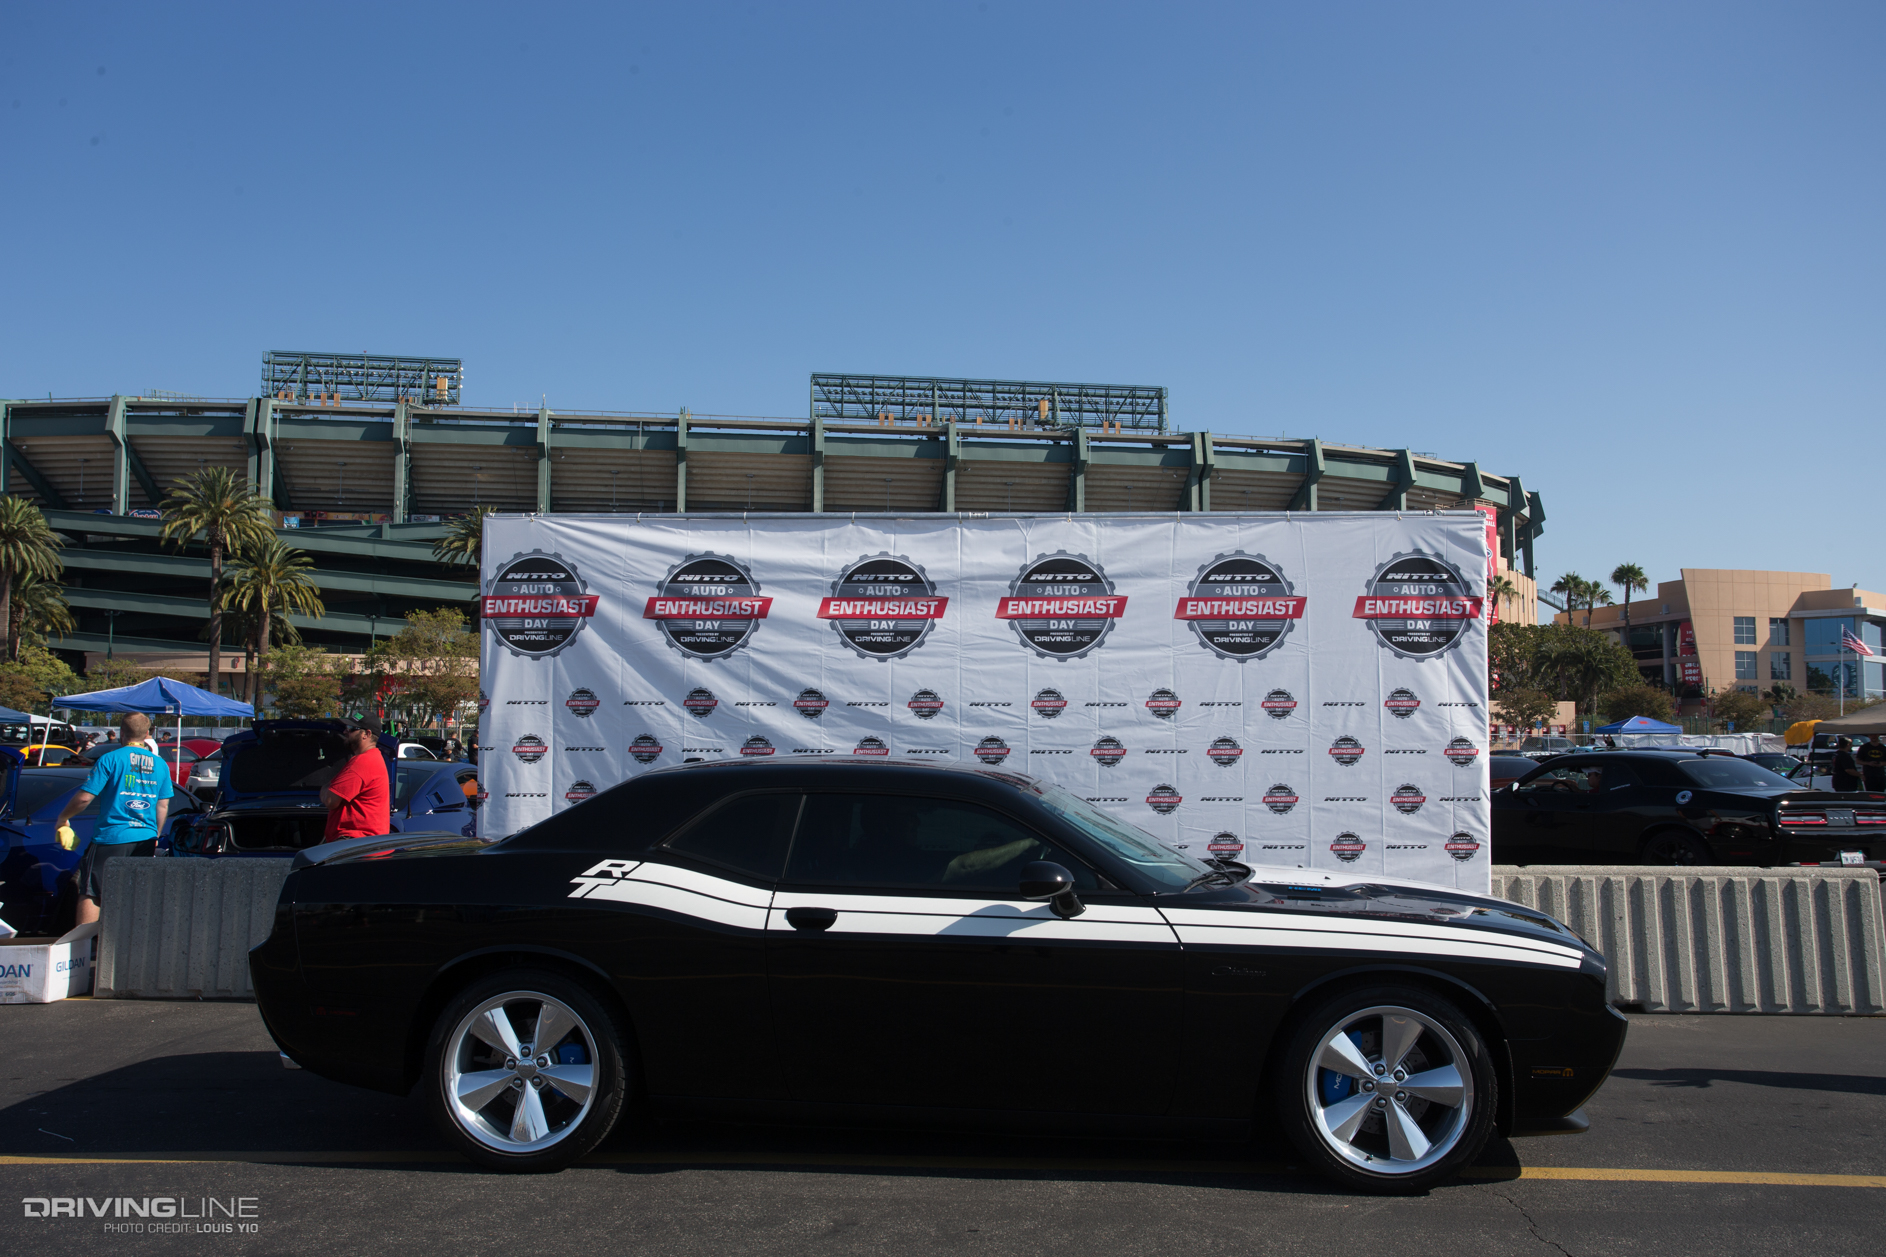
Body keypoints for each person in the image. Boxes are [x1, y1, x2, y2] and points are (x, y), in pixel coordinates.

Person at [55, 714, 173, 926]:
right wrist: (154, 835)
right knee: (133, 894)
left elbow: (84, 798)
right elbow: (162, 806)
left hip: (112, 836)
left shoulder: (110, 759)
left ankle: (84, 942)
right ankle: (126, 941)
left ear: (121, 732)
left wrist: (63, 818)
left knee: (91, 890)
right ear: (147, 734)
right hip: (145, 838)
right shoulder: (160, 764)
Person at [315, 718, 391, 842]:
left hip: (354, 842)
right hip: (361, 842)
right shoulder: (372, 758)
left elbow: (330, 800)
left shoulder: (363, 762)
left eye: (351, 729)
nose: (345, 732)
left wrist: (325, 788)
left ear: (367, 734)